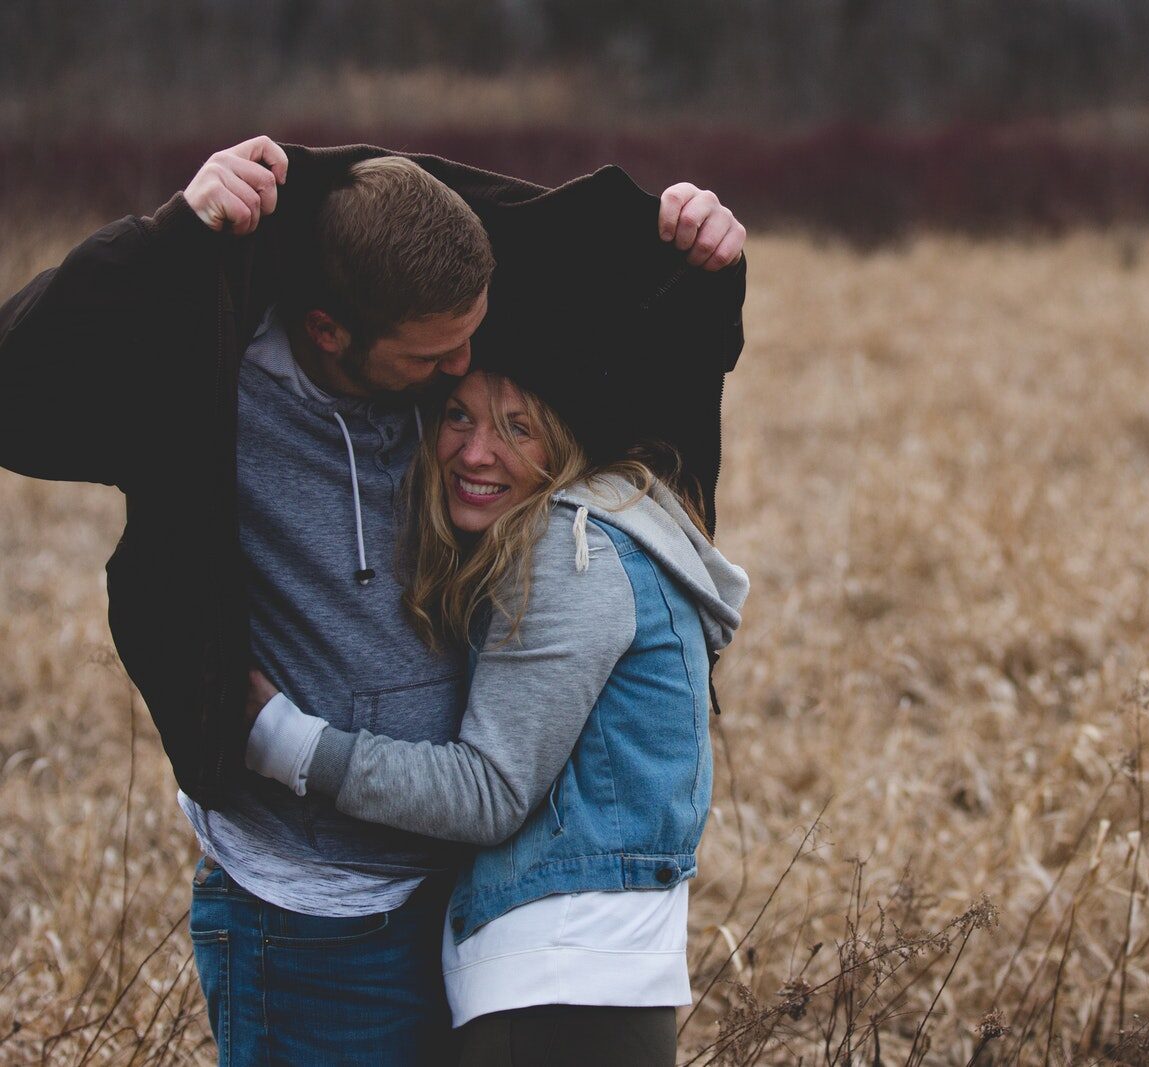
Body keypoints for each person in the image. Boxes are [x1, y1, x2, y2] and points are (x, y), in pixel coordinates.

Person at [0, 135, 747, 1064]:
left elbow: (618, 332)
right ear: (329, 332)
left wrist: (704, 255)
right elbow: (17, 379)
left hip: (458, 901)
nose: (465, 366)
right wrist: (170, 236)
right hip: (309, 913)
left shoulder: (439, 354)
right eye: (438, 358)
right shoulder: (205, 386)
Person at [243, 350, 747, 1065]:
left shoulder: (574, 551)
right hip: (594, 980)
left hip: (557, 989)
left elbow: (489, 790)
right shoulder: (620, 531)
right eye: (458, 415)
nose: (476, 451)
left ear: (566, 441)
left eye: (518, 428)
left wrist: (286, 743)